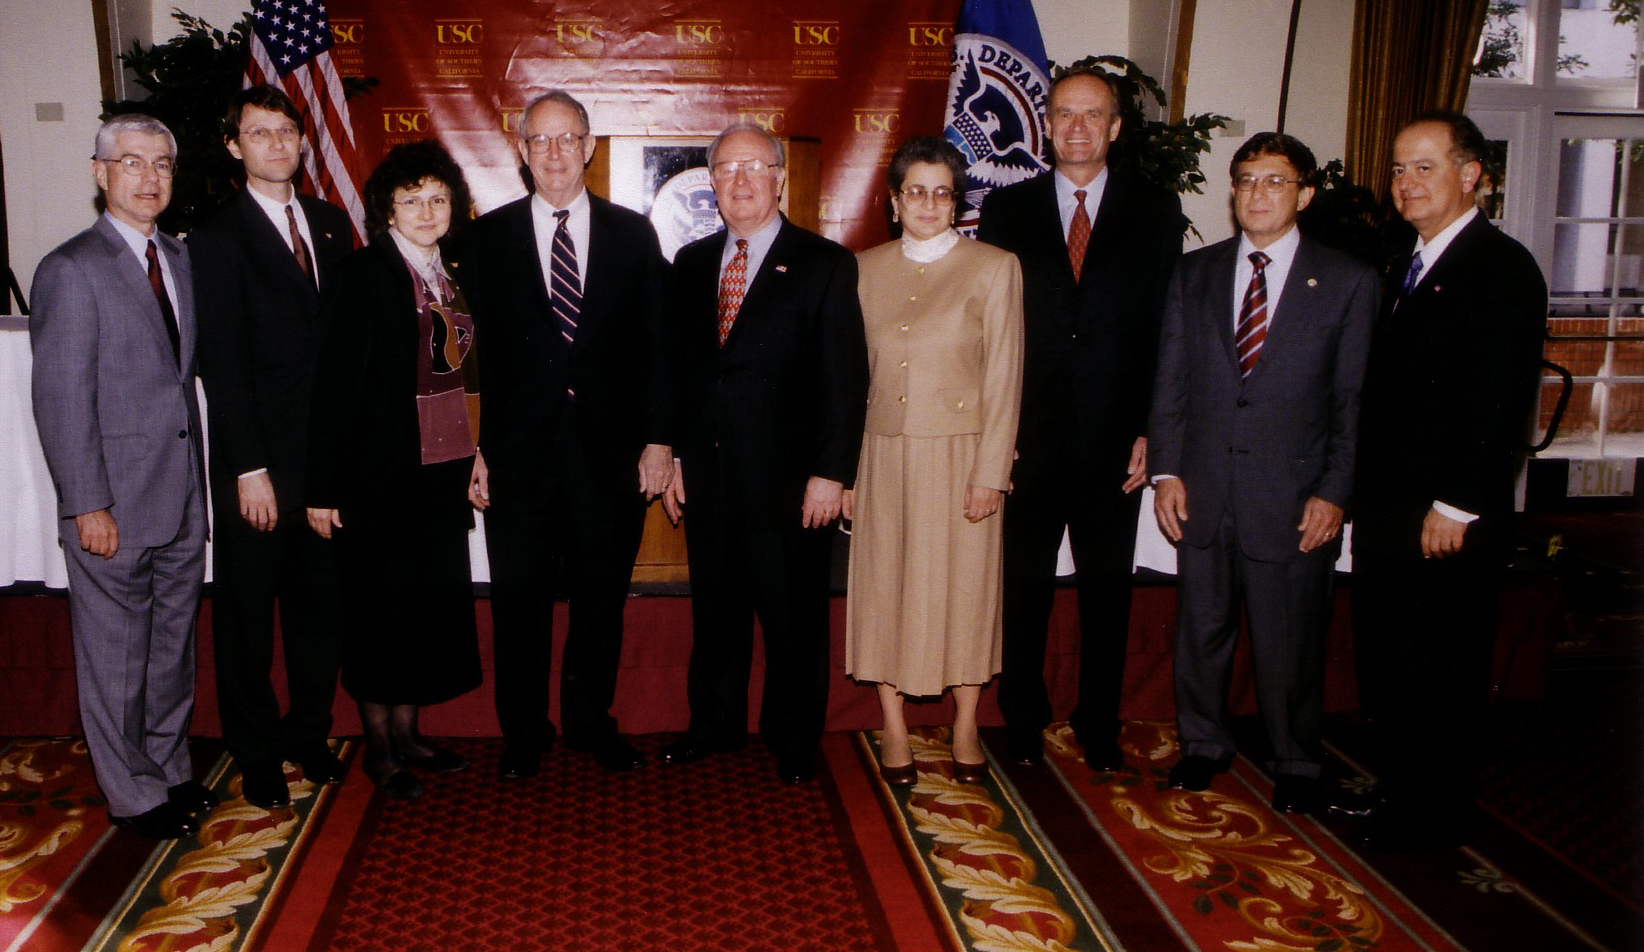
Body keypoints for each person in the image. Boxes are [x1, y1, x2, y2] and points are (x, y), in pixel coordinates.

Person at [1148, 133, 1377, 813]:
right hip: (1204, 489)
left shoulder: (1347, 281)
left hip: (1294, 498)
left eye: (1275, 182)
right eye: (1246, 180)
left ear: (1304, 194)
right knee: (1201, 630)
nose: (1257, 194)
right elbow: (1172, 382)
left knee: (1290, 641)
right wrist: (1166, 471)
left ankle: (1297, 758)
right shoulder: (1196, 273)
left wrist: (1335, 493)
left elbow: (1353, 400)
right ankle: (1202, 745)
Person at [1343, 112, 1546, 849]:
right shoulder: (1408, 260)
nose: (1407, 183)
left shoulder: (1500, 268)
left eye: (1425, 167)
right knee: (1395, 663)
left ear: (1473, 175)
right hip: (1394, 510)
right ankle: (1398, 797)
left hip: (1445, 517)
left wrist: (1456, 505)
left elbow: (1497, 401)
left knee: (1441, 669)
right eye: (1399, 168)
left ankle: (1430, 820)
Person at [977, 68, 1184, 770]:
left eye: (1092, 115)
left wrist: (1155, 429)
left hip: (1115, 443)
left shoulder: (1157, 212)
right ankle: (1023, 721)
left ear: (1116, 127)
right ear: (1046, 123)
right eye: (1064, 114)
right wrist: (993, 435)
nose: (1076, 127)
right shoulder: (1007, 210)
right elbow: (992, 333)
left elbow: (1167, 331)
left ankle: (1100, 723)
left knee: (1107, 592)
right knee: (1023, 590)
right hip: (1026, 440)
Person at [463, 90, 674, 779]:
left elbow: (655, 346)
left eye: (567, 139)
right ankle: (524, 731)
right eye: (540, 141)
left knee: (599, 597)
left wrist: (658, 439)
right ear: (521, 152)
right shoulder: (484, 240)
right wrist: (476, 450)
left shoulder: (632, 235)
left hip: (607, 456)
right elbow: (469, 361)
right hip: (518, 456)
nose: (554, 153)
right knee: (519, 601)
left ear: (589, 147)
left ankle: (591, 723)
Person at [661, 122, 869, 784]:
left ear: (781, 178)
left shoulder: (826, 263)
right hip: (711, 478)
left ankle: (793, 737)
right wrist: (674, 458)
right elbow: (680, 374)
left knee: (793, 619)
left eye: (755, 168)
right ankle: (714, 725)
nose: (741, 181)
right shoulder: (691, 266)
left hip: (791, 485)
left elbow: (846, 380)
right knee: (715, 614)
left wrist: (832, 473)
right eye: (726, 170)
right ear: (711, 186)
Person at [30, 114, 216, 838]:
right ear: (100, 173)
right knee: (115, 659)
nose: (150, 178)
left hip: (179, 500)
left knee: (170, 651)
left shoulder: (177, 256)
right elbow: (62, 400)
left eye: (163, 164)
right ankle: (133, 796)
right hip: (112, 505)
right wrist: (87, 504)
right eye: (132, 163)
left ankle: (167, 773)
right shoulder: (71, 268)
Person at [305, 140, 483, 799]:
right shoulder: (362, 275)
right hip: (374, 479)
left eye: (438, 198)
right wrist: (322, 487)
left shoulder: (452, 274)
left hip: (439, 475)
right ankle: (379, 749)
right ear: (387, 209)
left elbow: (469, 375)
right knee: (380, 614)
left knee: (422, 613)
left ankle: (409, 735)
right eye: (412, 199)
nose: (427, 210)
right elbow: (329, 388)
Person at [191, 85, 353, 809]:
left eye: (286, 131)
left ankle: (308, 735)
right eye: (260, 133)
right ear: (234, 146)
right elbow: (221, 366)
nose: (277, 144)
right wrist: (250, 470)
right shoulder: (217, 239)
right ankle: (254, 751)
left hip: (322, 463)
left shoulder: (328, 222)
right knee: (249, 619)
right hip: (255, 467)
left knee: (320, 610)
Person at [842, 136, 1023, 785]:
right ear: (893, 202)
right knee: (886, 588)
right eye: (913, 191)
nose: (927, 203)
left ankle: (966, 724)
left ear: (958, 202)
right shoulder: (862, 268)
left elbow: (1006, 378)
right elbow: (849, 380)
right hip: (883, 457)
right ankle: (893, 729)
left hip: (962, 459)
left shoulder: (995, 267)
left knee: (965, 593)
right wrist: (849, 474)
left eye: (940, 192)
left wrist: (991, 473)